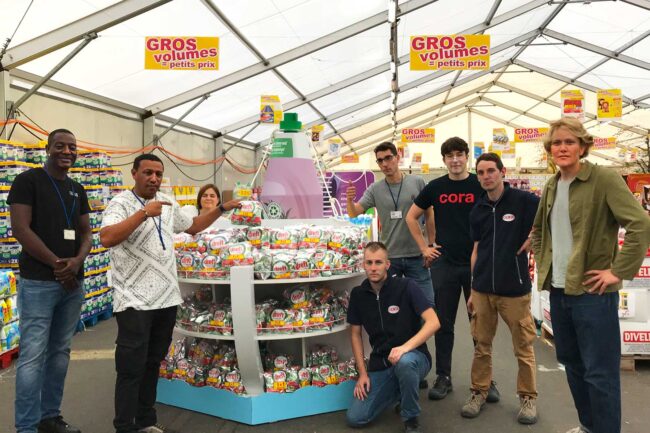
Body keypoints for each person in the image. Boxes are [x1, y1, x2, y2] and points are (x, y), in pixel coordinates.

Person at [100, 154, 240, 433]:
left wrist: (222, 208)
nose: (154, 178)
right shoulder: (120, 203)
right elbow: (107, 237)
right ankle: (124, 426)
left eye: (158, 174)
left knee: (153, 363)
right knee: (131, 367)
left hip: (166, 300)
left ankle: (145, 421)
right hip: (134, 301)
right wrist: (143, 213)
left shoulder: (167, 203)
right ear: (134, 173)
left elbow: (194, 225)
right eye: (148, 173)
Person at [531, 118, 650, 433]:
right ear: (550, 149)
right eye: (557, 143)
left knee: (600, 373)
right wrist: (544, 264)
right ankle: (588, 426)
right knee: (573, 366)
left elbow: (640, 224)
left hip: (592, 294)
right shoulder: (552, 184)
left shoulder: (603, 179)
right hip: (559, 292)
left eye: (569, 142)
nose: (562, 148)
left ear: (583, 147)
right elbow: (539, 231)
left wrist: (618, 271)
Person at [9, 129, 92, 433]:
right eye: (60, 146)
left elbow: (86, 232)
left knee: (60, 353)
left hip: (72, 285)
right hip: (39, 283)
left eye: (72, 147)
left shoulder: (77, 189)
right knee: (32, 356)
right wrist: (58, 264)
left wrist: (77, 262)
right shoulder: (27, 181)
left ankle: (50, 417)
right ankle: (26, 427)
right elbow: (21, 229)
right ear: (48, 148)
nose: (67, 151)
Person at [406, 137, 499, 402]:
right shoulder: (436, 187)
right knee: (443, 324)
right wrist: (425, 248)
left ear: (467, 157)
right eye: (450, 156)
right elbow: (411, 217)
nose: (455, 160)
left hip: (476, 265)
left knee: (479, 324)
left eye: (459, 154)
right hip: (444, 264)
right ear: (444, 160)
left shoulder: (479, 184)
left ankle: (486, 380)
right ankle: (443, 377)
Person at [461, 152, 539, 424]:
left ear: (502, 172)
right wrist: (473, 287)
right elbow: (476, 249)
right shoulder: (478, 210)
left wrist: (534, 236)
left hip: (514, 290)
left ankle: (528, 398)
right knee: (481, 345)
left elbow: (549, 214)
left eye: (491, 171)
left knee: (523, 348)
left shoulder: (523, 201)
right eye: (481, 173)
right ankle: (479, 392)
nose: (486, 176)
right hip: (483, 289)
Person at [346, 242, 440, 433]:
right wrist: (362, 373)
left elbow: (433, 322)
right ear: (363, 265)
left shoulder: (407, 286)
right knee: (355, 418)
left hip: (415, 357)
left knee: (405, 363)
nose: (373, 268)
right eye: (369, 262)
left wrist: (405, 348)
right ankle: (403, 389)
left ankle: (410, 418)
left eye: (378, 262)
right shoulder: (358, 295)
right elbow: (355, 334)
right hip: (381, 363)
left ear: (387, 265)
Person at [346, 142, 435, 307]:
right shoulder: (375, 189)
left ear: (397, 158)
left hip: (417, 256)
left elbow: (429, 214)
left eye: (388, 158)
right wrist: (350, 200)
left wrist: (430, 245)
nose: (385, 164)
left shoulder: (417, 182)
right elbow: (354, 213)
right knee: (392, 306)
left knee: (427, 304)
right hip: (390, 258)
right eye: (380, 160)